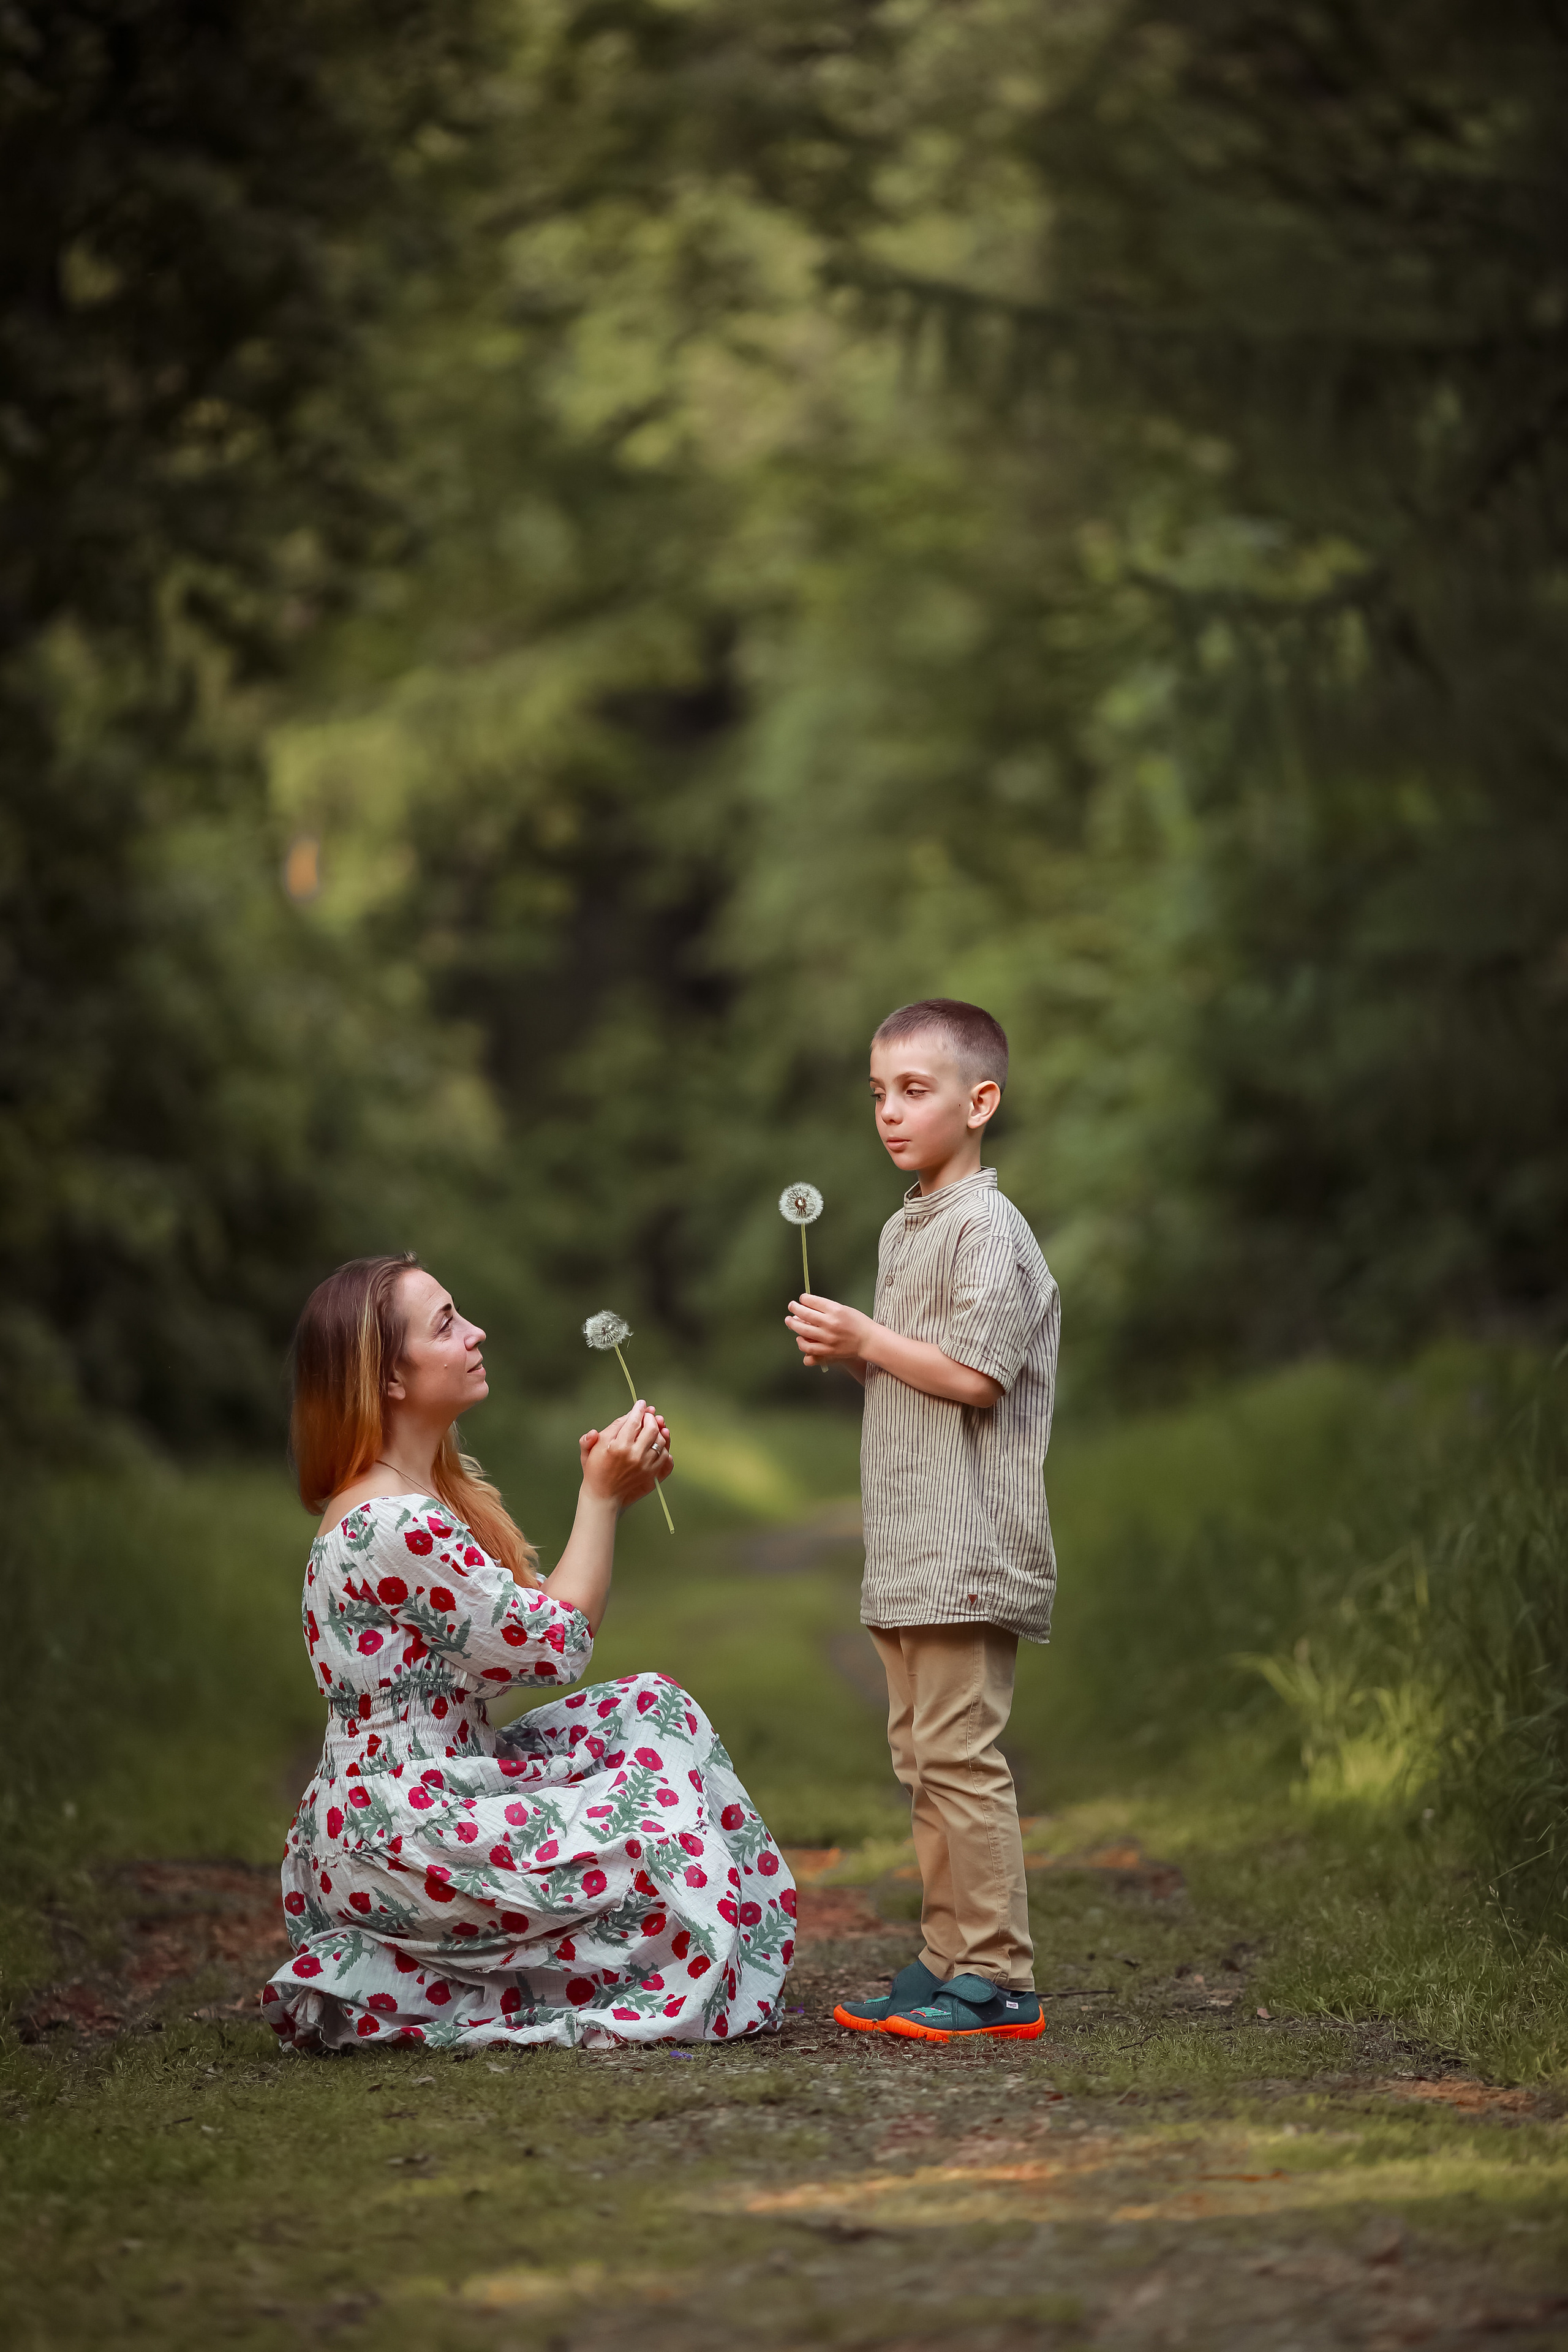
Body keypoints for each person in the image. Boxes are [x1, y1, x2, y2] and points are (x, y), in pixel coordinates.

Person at [263, 1253, 796, 2051]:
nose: (476, 1334)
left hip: (442, 1790)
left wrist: (606, 1494)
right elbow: (554, 1646)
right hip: (403, 1834)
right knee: (666, 1838)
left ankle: (485, 1969)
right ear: (391, 1379)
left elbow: (523, 1630)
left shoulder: (422, 1500)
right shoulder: (392, 1524)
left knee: (653, 1710)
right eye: (446, 1324)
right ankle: (451, 1976)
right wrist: (602, 1498)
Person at [785, 1000, 1058, 2043]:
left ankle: (997, 1975)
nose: (889, 1113)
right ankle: (949, 1954)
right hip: (910, 1541)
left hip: (970, 1539)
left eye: (915, 1090)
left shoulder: (988, 1227)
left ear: (979, 1101)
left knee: (958, 1753)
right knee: (921, 1756)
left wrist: (871, 1336)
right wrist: (856, 1350)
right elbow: (916, 1369)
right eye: (878, 1094)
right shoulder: (911, 1223)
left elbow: (980, 1379)